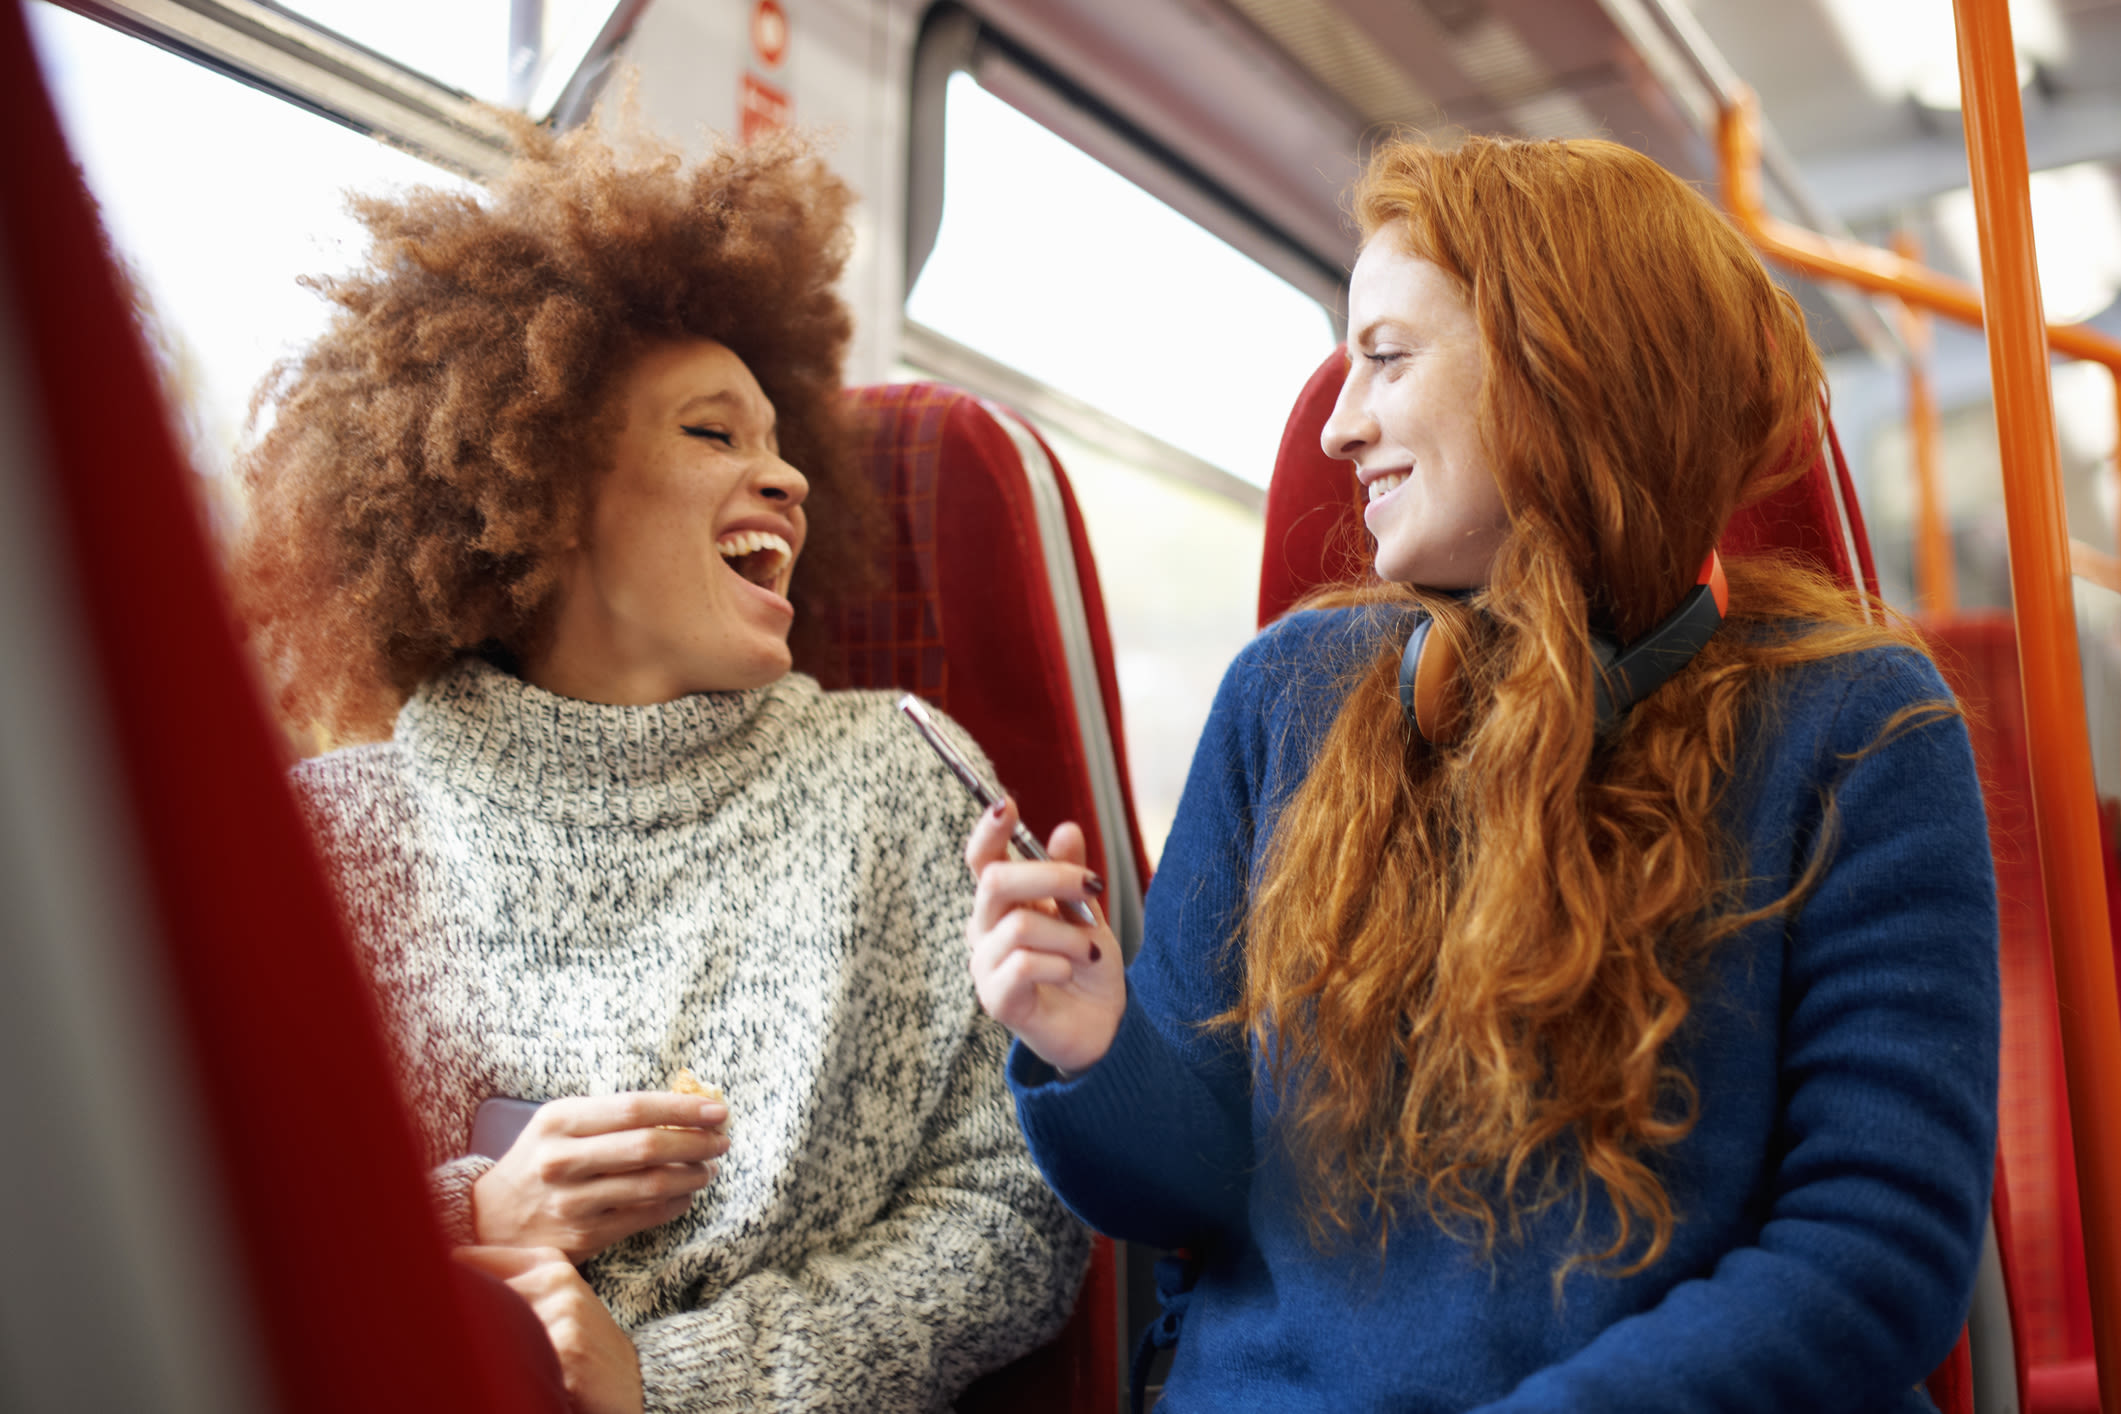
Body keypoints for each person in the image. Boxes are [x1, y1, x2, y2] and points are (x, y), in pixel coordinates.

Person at [964, 136, 1999, 1412]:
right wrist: (1090, 1041)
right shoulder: (1290, 695)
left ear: (1568, 365)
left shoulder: (1856, 728)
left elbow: (1875, 1251)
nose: (1339, 427)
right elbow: (1203, 1193)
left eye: (1387, 358)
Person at [230, 117, 1087, 1414]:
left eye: (779, 440)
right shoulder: (331, 831)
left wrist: (672, 1384)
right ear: (543, 487)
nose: (787, 475)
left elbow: (1018, 1216)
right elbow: (223, 1217)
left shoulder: (897, 774)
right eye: (712, 435)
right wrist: (478, 1211)